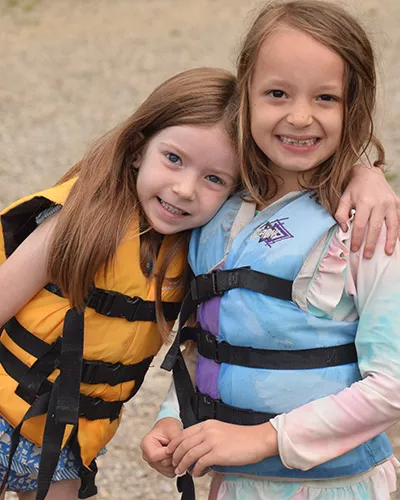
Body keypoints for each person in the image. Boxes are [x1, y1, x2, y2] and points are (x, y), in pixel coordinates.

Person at [141, 2, 400, 499]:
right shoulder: (215, 210)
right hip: (231, 486)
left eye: (326, 98)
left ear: (355, 107)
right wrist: (176, 417)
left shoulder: (367, 227)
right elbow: (208, 342)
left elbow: (390, 385)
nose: (299, 117)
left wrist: (263, 438)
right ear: (246, 98)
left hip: (334, 488)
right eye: (277, 93)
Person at [0, 67, 241, 500]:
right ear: (137, 150)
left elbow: (197, 353)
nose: (185, 189)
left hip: (68, 439)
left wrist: (366, 177)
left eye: (214, 179)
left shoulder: (202, 259)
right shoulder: (76, 224)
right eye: (173, 158)